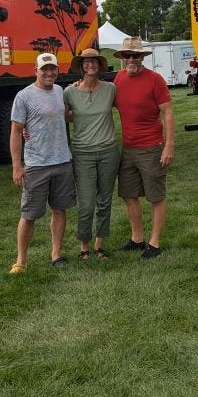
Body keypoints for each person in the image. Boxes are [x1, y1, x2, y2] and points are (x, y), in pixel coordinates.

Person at [8, 53, 75, 274]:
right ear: (35, 70)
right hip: (36, 165)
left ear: (57, 70)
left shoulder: (60, 92)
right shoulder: (23, 96)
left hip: (62, 161)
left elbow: (65, 116)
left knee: (59, 210)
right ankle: (21, 260)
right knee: (29, 215)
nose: (49, 73)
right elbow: (16, 131)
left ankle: (56, 254)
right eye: (44, 69)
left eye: (52, 69)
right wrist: (17, 166)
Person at [113, 36, 175, 259]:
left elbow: (167, 113)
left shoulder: (155, 80)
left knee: (155, 196)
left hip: (151, 147)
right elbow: (100, 101)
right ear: (122, 58)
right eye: (127, 55)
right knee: (129, 195)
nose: (132, 59)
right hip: (127, 148)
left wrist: (169, 145)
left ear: (142, 57)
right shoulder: (118, 79)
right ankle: (137, 238)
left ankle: (155, 243)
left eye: (136, 55)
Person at [64, 47, 119, 262]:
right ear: (80, 66)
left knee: (104, 201)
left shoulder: (111, 89)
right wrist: (26, 130)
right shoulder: (69, 92)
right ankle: (84, 246)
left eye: (94, 61)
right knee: (86, 203)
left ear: (100, 65)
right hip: (82, 153)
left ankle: (99, 245)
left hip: (108, 151)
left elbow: (129, 106)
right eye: (86, 62)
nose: (90, 65)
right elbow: (58, 116)